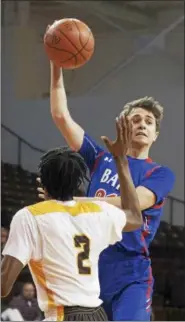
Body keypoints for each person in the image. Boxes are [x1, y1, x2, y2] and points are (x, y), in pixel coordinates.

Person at [47, 60, 175, 321]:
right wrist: (55, 64)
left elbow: (134, 204)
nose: (142, 124)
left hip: (130, 270)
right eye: (136, 119)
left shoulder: (159, 173)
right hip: (89, 266)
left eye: (149, 122)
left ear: (155, 135)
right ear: (123, 126)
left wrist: (72, 201)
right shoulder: (99, 158)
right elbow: (61, 116)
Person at [1, 119, 143, 322]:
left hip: (62, 315)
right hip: (97, 315)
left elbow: (3, 287)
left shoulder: (30, 216)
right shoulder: (97, 211)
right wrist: (120, 160)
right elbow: (134, 216)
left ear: (43, 182)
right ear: (77, 184)